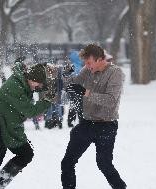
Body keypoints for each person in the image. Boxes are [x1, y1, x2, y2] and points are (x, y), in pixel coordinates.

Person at [0, 63, 55, 189]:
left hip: (9, 124)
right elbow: (30, 111)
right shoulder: (15, 86)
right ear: (31, 79)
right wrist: (47, 100)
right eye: (37, 83)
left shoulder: (26, 82)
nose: (38, 87)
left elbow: (39, 85)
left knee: (26, 153)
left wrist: (53, 81)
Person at [61, 44, 127, 189]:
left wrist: (86, 93)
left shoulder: (115, 73)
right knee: (67, 162)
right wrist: (67, 76)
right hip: (86, 124)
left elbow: (111, 100)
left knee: (104, 164)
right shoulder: (87, 70)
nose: (86, 66)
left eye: (89, 62)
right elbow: (72, 85)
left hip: (106, 126)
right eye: (85, 63)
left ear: (100, 59)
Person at [65, 50, 85, 127]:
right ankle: (81, 120)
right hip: (80, 89)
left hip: (72, 89)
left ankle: (70, 121)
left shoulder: (71, 66)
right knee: (80, 106)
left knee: (73, 105)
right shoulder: (81, 67)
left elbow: (66, 77)